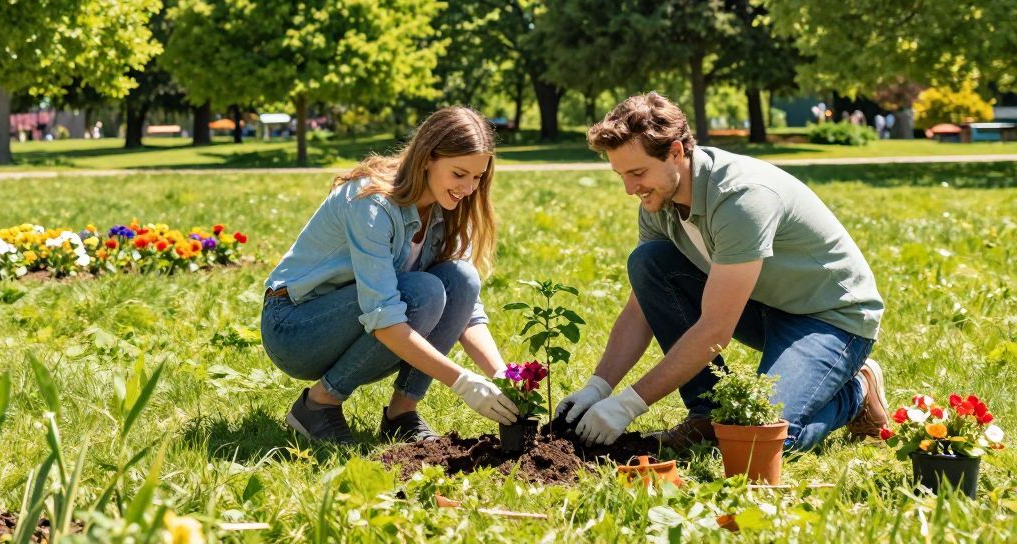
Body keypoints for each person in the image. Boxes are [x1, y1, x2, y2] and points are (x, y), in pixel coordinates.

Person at [560, 93, 888, 452]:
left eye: (638, 173)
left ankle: (857, 390)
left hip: (829, 318)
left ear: (675, 152)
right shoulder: (657, 201)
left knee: (758, 441)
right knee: (649, 261)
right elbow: (640, 309)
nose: (629, 189)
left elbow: (715, 329)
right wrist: (598, 387)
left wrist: (629, 404)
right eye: (620, 175)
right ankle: (707, 414)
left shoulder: (740, 197)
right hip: (762, 303)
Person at [261, 106, 517, 445]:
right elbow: (384, 315)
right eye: (459, 174)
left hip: (364, 325)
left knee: (462, 278)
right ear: (427, 158)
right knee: (422, 292)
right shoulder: (371, 202)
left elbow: (466, 309)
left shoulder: (452, 205)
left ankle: (401, 414)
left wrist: (501, 377)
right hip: (295, 329)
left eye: (477, 177)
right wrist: (462, 382)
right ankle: (317, 405)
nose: (469, 188)